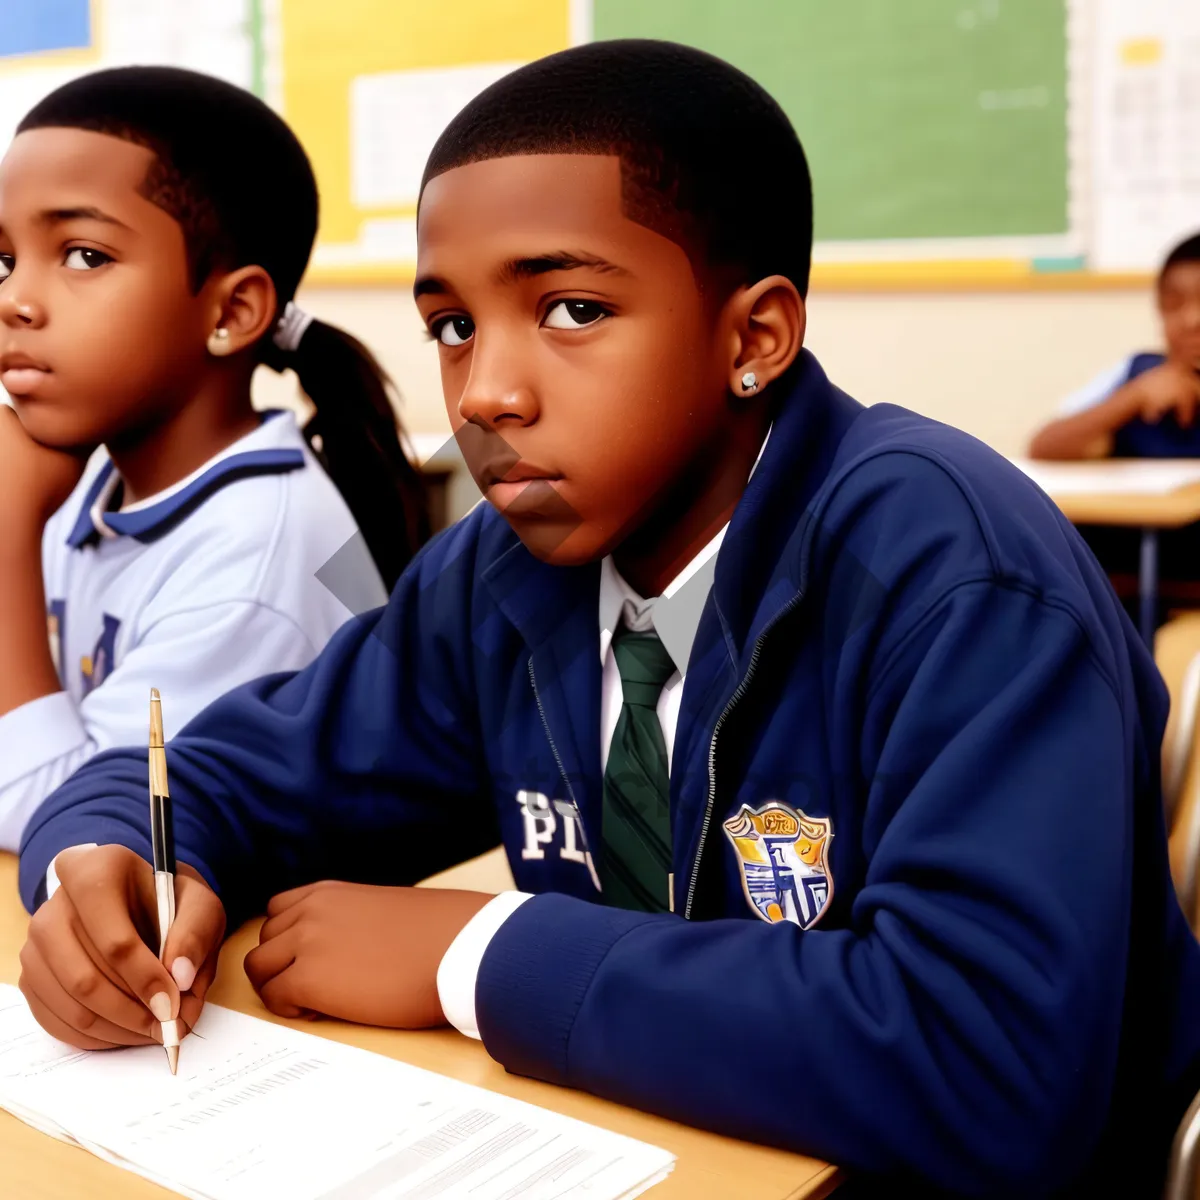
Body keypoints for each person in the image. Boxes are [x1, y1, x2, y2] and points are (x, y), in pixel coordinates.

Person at [17, 42, 1200, 1196]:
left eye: (573, 308)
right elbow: (233, 772)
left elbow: (996, 1072)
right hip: (655, 1141)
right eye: (452, 326)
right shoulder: (499, 572)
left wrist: (469, 954)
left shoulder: (952, 576)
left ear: (755, 338)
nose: (485, 392)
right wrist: (109, 859)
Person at [0, 66, 429, 851]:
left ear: (231, 312)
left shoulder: (256, 556)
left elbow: (71, 833)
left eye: (84, 255)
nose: (15, 300)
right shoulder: (90, 478)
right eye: (4, 260)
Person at [1030, 232, 1200, 461]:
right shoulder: (1138, 373)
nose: (1191, 320)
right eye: (1173, 305)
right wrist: (1133, 397)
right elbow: (1043, 448)